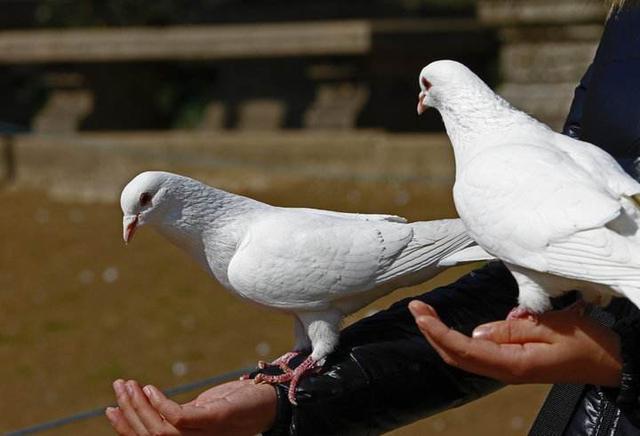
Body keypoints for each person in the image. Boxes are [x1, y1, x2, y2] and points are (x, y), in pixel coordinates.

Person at [106, 2, 640, 434]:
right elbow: (524, 273)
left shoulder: (253, 255)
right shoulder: (622, 35)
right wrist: (293, 404)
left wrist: (621, 362)